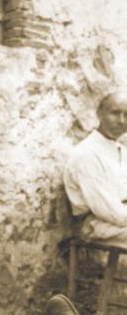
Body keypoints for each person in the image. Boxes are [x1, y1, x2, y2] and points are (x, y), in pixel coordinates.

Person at [64, 89, 127, 246]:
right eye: (115, 113)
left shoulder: (120, 150)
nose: (121, 121)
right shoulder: (86, 155)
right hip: (96, 224)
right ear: (100, 114)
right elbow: (109, 210)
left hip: (118, 219)